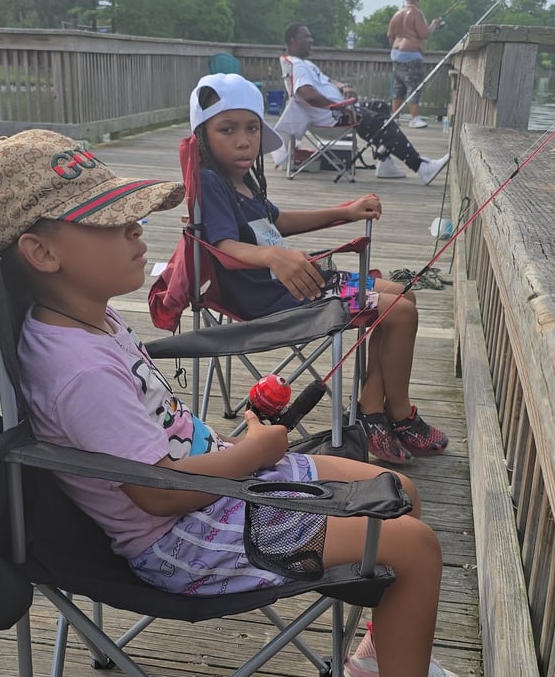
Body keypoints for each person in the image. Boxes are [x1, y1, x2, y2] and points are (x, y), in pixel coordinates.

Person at [0, 129, 492, 677]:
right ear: (41, 251)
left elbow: (160, 442)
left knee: (399, 493)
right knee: (412, 545)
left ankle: (377, 657)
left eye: (132, 216)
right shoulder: (75, 370)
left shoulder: (85, 320)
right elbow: (157, 495)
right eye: (111, 224)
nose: (137, 233)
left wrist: (242, 441)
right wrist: (255, 452)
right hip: (186, 534)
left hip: (217, 487)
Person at [191, 72, 449, 463]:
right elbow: (222, 244)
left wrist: (343, 213)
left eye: (252, 128)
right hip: (269, 300)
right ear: (204, 136)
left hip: (295, 282)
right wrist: (274, 257)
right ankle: (395, 415)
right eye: (227, 129)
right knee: (399, 312)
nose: (243, 140)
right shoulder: (211, 181)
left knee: (405, 297)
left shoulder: (243, 180)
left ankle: (372, 409)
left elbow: (277, 223)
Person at [275, 23, 448, 183]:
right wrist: (341, 107)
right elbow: (308, 95)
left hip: (340, 111)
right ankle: (421, 167)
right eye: (306, 37)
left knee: (380, 106)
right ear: (293, 40)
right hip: (333, 117)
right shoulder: (297, 65)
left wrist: (343, 86)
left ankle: (384, 163)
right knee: (381, 124)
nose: (311, 40)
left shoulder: (306, 64)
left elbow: (328, 81)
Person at [388, 0, 442, 129]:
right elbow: (424, 34)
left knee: (398, 87)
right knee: (414, 86)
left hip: (396, 54)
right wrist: (434, 24)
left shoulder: (397, 14)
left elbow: (390, 35)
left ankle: (395, 117)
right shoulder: (416, 14)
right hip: (411, 55)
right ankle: (414, 119)